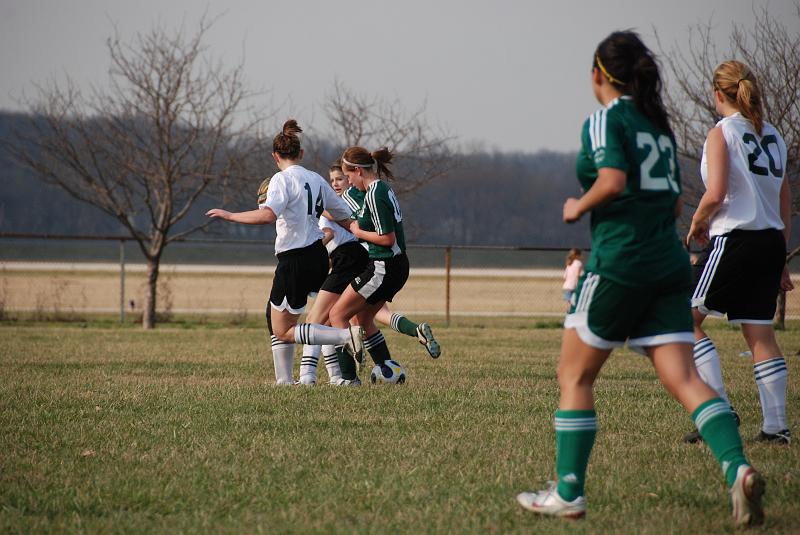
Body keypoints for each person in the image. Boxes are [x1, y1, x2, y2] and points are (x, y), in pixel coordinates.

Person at [516, 32, 764, 527]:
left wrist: (576, 207)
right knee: (685, 378)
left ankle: (568, 493)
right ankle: (737, 468)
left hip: (621, 261)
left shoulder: (606, 119)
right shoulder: (658, 126)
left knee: (574, 375)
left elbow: (612, 181)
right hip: (667, 261)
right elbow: (674, 203)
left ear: (597, 75)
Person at [206, 120, 364, 385]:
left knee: (283, 329)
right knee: (274, 313)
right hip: (317, 255)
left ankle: (346, 337)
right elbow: (345, 217)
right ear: (301, 154)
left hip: (295, 258)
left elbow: (267, 214)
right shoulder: (315, 178)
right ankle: (285, 380)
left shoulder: (280, 180)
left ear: (275, 156)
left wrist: (230, 215)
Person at [683, 60, 792, 445]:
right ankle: (776, 427)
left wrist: (697, 223)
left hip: (735, 238)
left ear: (717, 95)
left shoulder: (722, 132)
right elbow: (784, 199)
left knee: (684, 321)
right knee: (760, 333)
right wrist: (781, 257)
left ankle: (718, 410)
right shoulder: (774, 135)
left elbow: (714, 195)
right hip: (768, 241)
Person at [298, 162, 441, 384]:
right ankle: (386, 365)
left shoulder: (350, 198)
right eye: (333, 180)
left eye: (341, 178)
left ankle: (326, 377)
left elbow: (331, 229)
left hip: (352, 261)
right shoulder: (366, 194)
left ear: (354, 175)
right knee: (364, 318)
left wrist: (311, 209)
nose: (336, 183)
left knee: (324, 318)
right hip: (369, 261)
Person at [327, 147, 412, 384]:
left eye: (349, 177)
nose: (350, 183)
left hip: (383, 265)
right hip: (391, 265)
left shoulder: (375, 193)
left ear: (357, 171)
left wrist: (357, 231)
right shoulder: (380, 189)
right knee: (361, 320)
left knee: (337, 314)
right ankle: (386, 370)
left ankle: (347, 379)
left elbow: (387, 239)